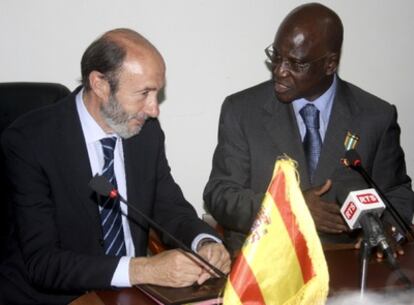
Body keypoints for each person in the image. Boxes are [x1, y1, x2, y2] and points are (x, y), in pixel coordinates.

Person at [0, 28, 230, 304]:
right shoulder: (30, 140)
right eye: (144, 93)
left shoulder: (146, 132)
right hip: (56, 297)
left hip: (131, 294)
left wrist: (204, 243)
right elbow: (44, 263)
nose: (154, 109)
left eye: (157, 93)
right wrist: (143, 269)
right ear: (100, 84)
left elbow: (169, 207)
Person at [204, 3, 414, 254]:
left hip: (347, 264)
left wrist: (388, 231)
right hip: (264, 266)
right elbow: (220, 195)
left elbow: (396, 192)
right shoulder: (242, 110)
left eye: (296, 64)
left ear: (330, 64)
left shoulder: (375, 116)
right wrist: (290, 209)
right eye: (277, 56)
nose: (280, 71)